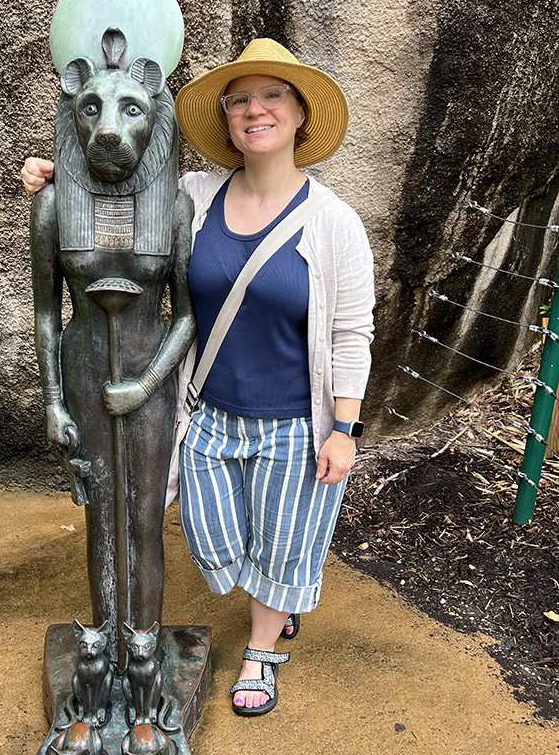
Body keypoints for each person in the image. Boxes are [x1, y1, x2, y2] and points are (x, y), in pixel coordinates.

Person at [22, 37, 375, 717]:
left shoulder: (333, 224)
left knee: (282, 536)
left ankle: (263, 649)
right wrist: (54, 174)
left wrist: (343, 428)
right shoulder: (194, 195)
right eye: (240, 100)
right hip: (208, 410)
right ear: (227, 121)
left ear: (299, 113)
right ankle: (272, 596)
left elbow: (349, 333)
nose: (255, 110)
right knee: (216, 538)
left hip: (293, 421)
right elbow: (114, 189)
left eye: (272, 95)